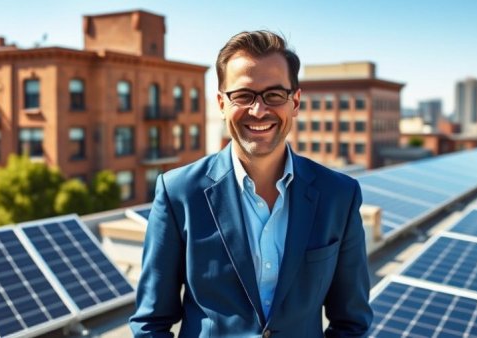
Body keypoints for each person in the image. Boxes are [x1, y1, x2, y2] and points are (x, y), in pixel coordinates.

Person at [130, 30, 372, 337]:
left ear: (295, 102)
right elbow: (150, 323)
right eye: (243, 96)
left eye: (274, 95)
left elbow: (353, 322)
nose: (259, 110)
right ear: (221, 103)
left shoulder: (339, 195)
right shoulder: (178, 193)